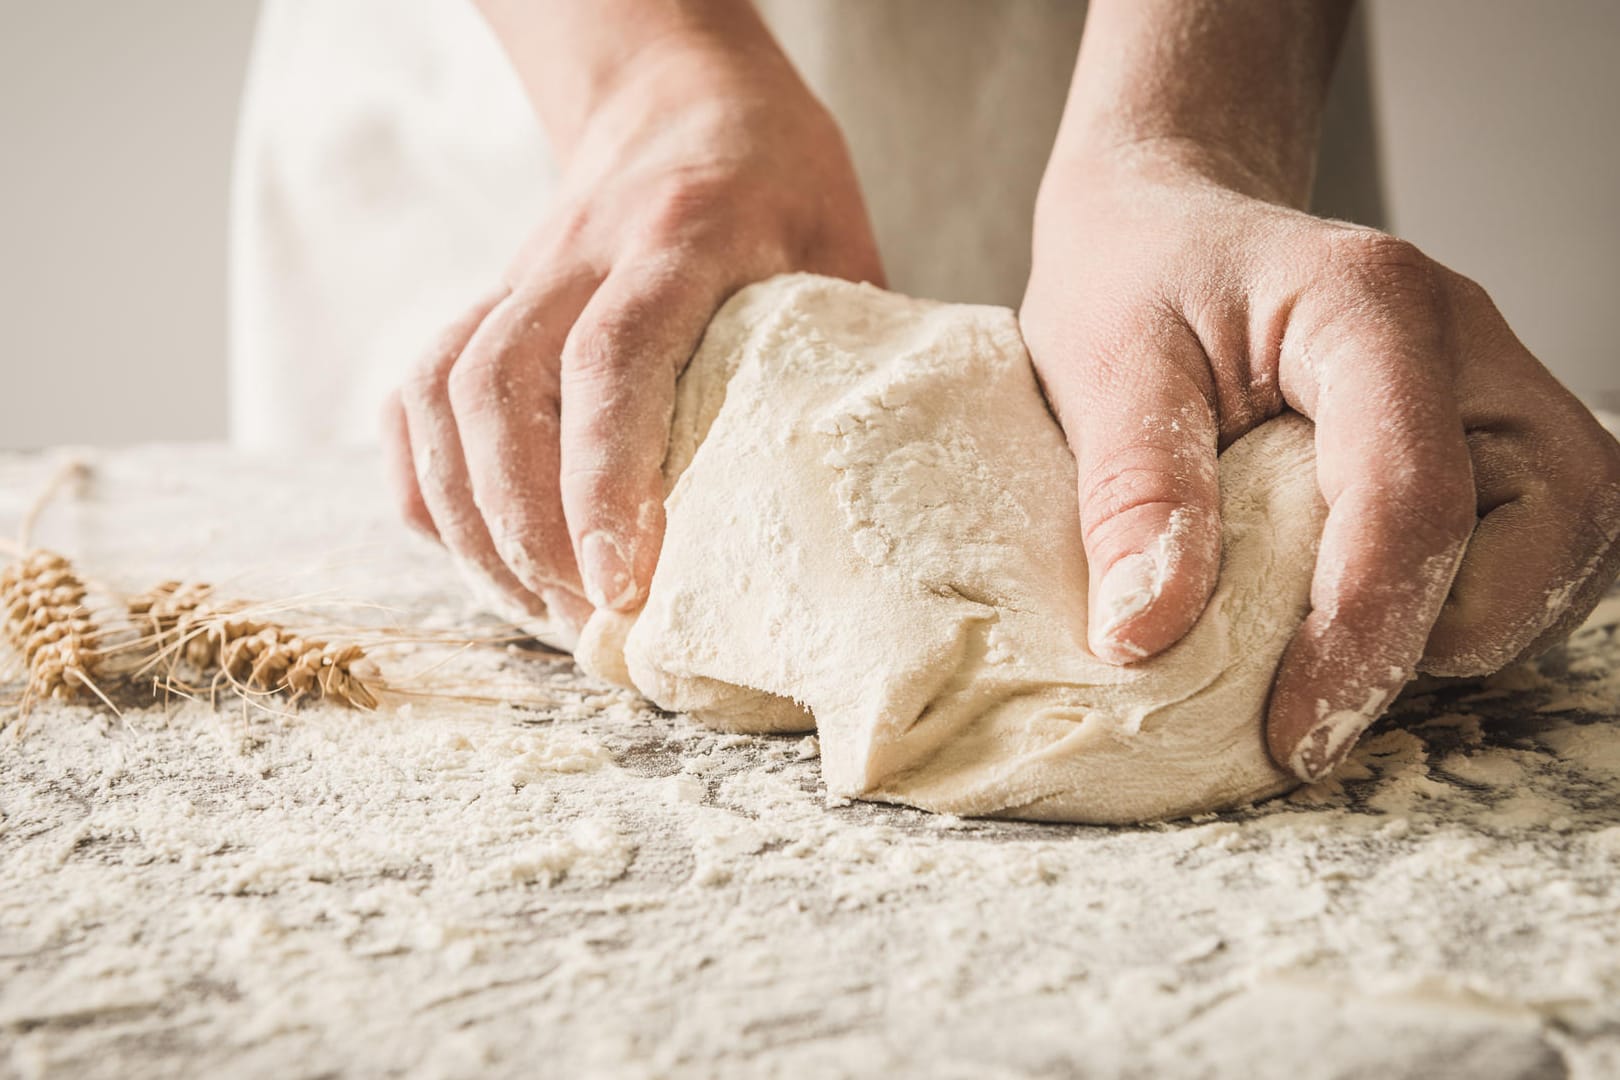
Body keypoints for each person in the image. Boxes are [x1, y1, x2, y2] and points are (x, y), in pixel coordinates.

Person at [232, 0, 1620, 784]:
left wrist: (1189, 132)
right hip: (544, 86)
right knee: (587, 456)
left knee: (1324, 511)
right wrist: (649, 87)